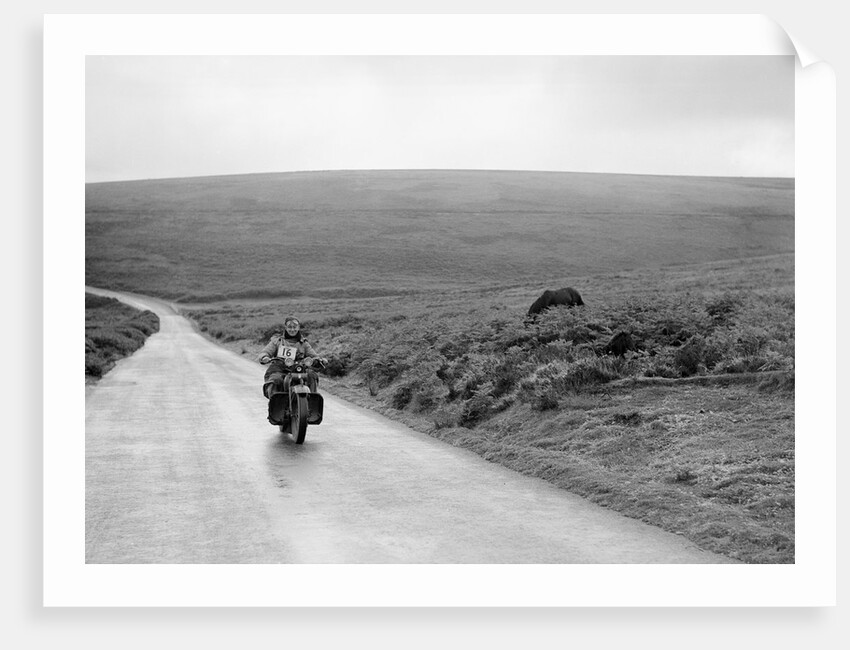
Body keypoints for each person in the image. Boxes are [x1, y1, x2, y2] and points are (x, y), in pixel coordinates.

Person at [258, 317, 323, 399]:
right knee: (275, 379)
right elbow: (265, 352)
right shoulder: (277, 341)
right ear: (285, 328)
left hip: (299, 369)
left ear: (298, 328)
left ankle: (312, 401)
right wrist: (264, 357)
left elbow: (314, 356)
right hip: (280, 368)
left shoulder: (304, 343)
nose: (292, 329)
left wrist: (319, 360)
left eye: (295, 327)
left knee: (311, 375)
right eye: (290, 327)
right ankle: (275, 404)